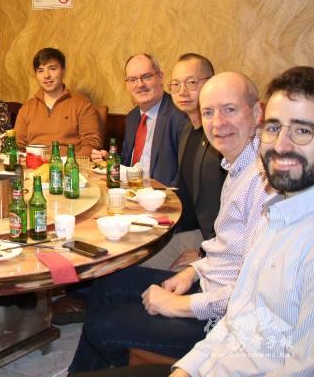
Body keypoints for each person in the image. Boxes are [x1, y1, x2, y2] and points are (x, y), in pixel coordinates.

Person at [68, 72, 273, 373]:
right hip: (207, 285)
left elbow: (252, 290)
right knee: (110, 281)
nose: (218, 123)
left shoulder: (263, 181)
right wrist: (192, 272)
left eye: (230, 109)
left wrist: (178, 305)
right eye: (209, 112)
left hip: (223, 322)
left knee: (102, 325)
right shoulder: (237, 165)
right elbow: (229, 251)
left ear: (257, 113)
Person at [171, 66, 314, 376]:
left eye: (302, 130)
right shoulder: (274, 213)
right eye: (274, 128)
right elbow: (237, 321)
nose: (281, 145)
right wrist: (188, 369)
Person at [141, 53, 225, 270]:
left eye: (191, 83)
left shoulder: (223, 138)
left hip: (216, 244)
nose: (181, 92)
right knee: (127, 264)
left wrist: (203, 253)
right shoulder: (187, 131)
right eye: (175, 85)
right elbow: (185, 191)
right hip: (191, 232)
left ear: (211, 83)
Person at [93, 54, 188, 186]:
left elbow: (184, 176)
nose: (140, 84)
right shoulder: (132, 117)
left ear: (160, 77)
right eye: (132, 80)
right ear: (126, 84)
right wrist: (110, 159)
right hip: (132, 191)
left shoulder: (179, 116)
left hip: (160, 197)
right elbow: (127, 164)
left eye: (146, 77)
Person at [14, 47, 101, 156]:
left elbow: (91, 144)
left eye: (52, 68)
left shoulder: (81, 104)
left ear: (63, 71)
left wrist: (70, 164)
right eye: (40, 70)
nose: (46, 76)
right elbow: (18, 145)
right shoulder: (27, 107)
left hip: (68, 168)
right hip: (32, 168)